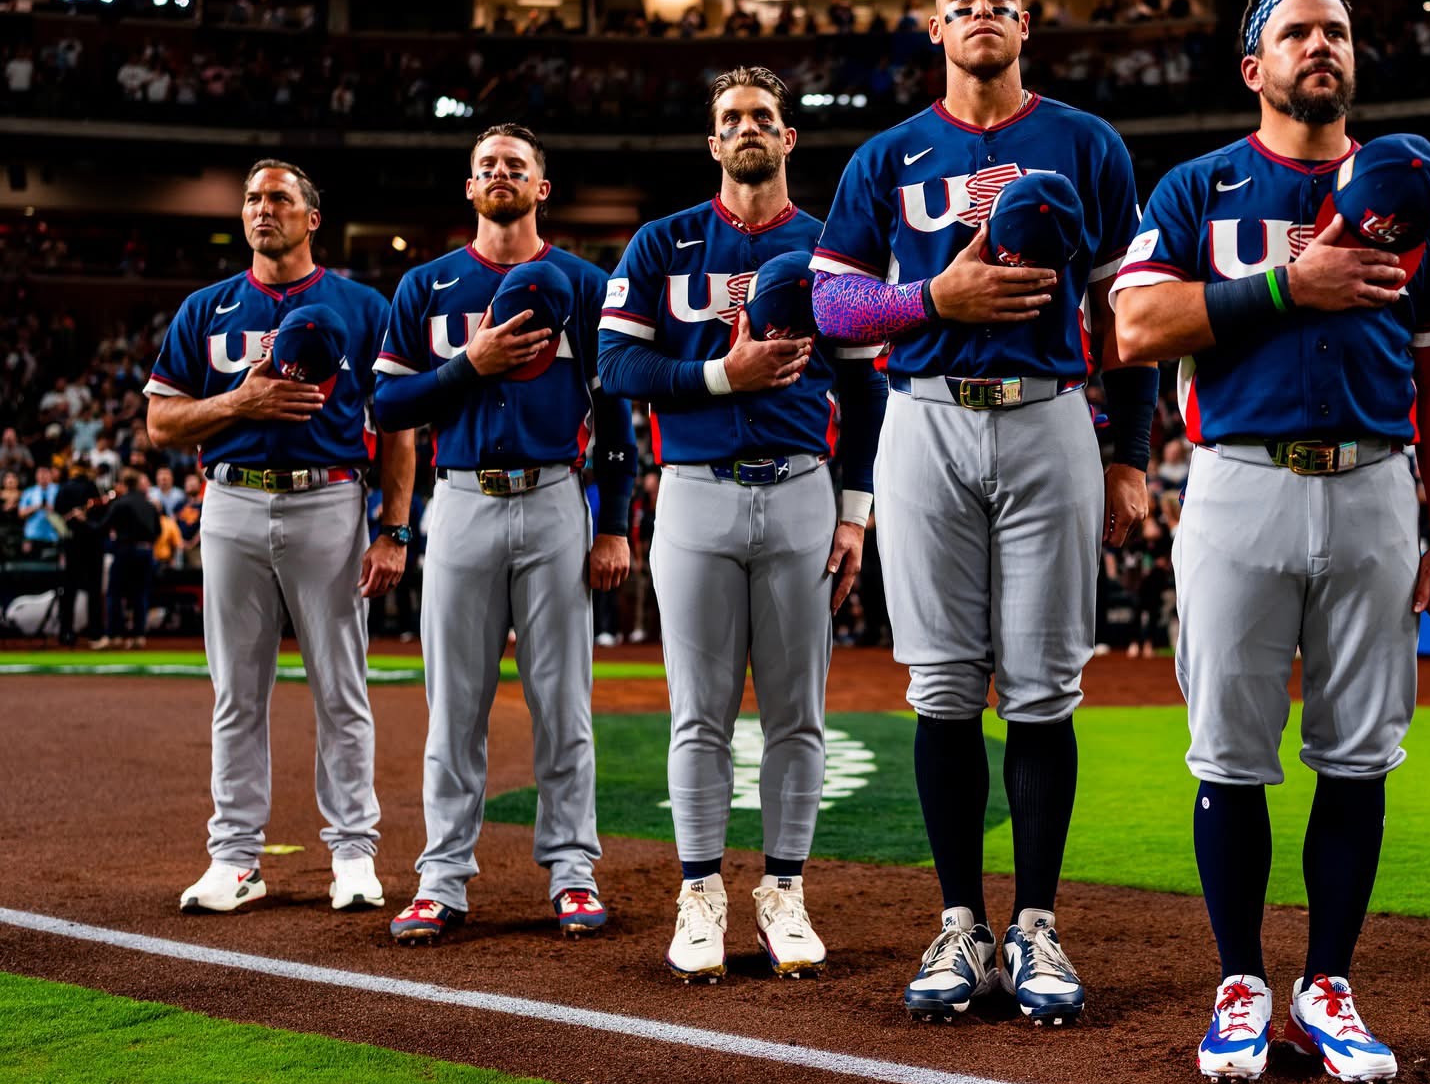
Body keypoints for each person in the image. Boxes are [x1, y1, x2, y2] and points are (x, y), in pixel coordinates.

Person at [1113, 0, 1430, 1084]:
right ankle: (1237, 979)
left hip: (1376, 480)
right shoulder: (1200, 184)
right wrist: (1289, 284)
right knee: (1227, 750)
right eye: (1296, 33)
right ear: (1251, 67)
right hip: (1239, 479)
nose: (1320, 46)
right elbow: (1133, 325)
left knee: (1358, 753)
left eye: (1337, 31)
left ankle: (1326, 980)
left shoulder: (1410, 188)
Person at [809, 0, 1156, 1024]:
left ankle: (1037, 924)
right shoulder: (886, 155)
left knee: (1046, 686)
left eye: (999, 0)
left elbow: (1127, 318)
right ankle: (961, 924)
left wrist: (1130, 453)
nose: (981, 14)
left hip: (1051, 414)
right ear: (935, 27)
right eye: (961, 2)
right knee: (944, 689)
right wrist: (932, 302)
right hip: (925, 420)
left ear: (1023, 22)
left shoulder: (1087, 143)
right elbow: (831, 311)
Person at [599, 68, 885, 981]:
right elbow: (614, 366)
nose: (748, 128)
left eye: (764, 116)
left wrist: (855, 511)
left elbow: (868, 386)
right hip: (693, 487)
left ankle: (784, 889)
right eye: (731, 118)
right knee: (700, 714)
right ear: (712, 142)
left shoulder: (833, 243)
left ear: (788, 137)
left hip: (804, 487)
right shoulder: (662, 241)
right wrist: (726, 375)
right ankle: (699, 892)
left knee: (799, 712)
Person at [372, 124, 632, 944]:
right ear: (470, 187)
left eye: (515, 166)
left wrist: (616, 522)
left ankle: (573, 870)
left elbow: (615, 408)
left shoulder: (586, 284)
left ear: (539, 188)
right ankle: (443, 877)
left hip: (557, 494)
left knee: (564, 701)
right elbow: (387, 409)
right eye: (486, 166)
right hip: (458, 499)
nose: (500, 174)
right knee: (455, 702)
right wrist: (468, 366)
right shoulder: (428, 284)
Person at [145, 159, 413, 917]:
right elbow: (161, 423)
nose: (264, 210)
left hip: (330, 499)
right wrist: (242, 398)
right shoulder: (207, 306)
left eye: (280, 199)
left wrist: (393, 529)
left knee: (342, 687)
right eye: (254, 199)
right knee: (237, 692)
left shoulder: (363, 304)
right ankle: (234, 857)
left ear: (311, 217)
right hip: (229, 498)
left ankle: (354, 850)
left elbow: (397, 429)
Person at [100, 468, 159, 649]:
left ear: (124, 484)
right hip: (145, 552)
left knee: (114, 594)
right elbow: (158, 531)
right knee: (140, 595)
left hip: (125, 551)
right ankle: (138, 637)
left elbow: (103, 527)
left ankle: (114, 636)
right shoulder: (149, 505)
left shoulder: (120, 504)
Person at [53, 463, 107, 646]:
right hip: (92, 544)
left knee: (69, 590)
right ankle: (95, 634)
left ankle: (66, 633)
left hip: (71, 543)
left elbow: (56, 515)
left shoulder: (64, 488)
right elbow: (102, 515)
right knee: (94, 589)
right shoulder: (93, 487)